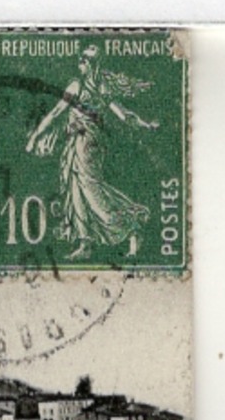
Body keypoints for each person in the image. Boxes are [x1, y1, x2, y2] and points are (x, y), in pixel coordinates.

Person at [23, 46, 159, 260]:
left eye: (85, 59)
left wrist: (145, 124)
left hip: (90, 144)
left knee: (90, 189)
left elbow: (124, 115)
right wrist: (36, 136)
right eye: (80, 58)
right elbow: (56, 112)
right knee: (75, 188)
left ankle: (132, 225)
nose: (81, 61)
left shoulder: (98, 88)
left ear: (94, 64)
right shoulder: (76, 85)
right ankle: (85, 242)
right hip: (74, 143)